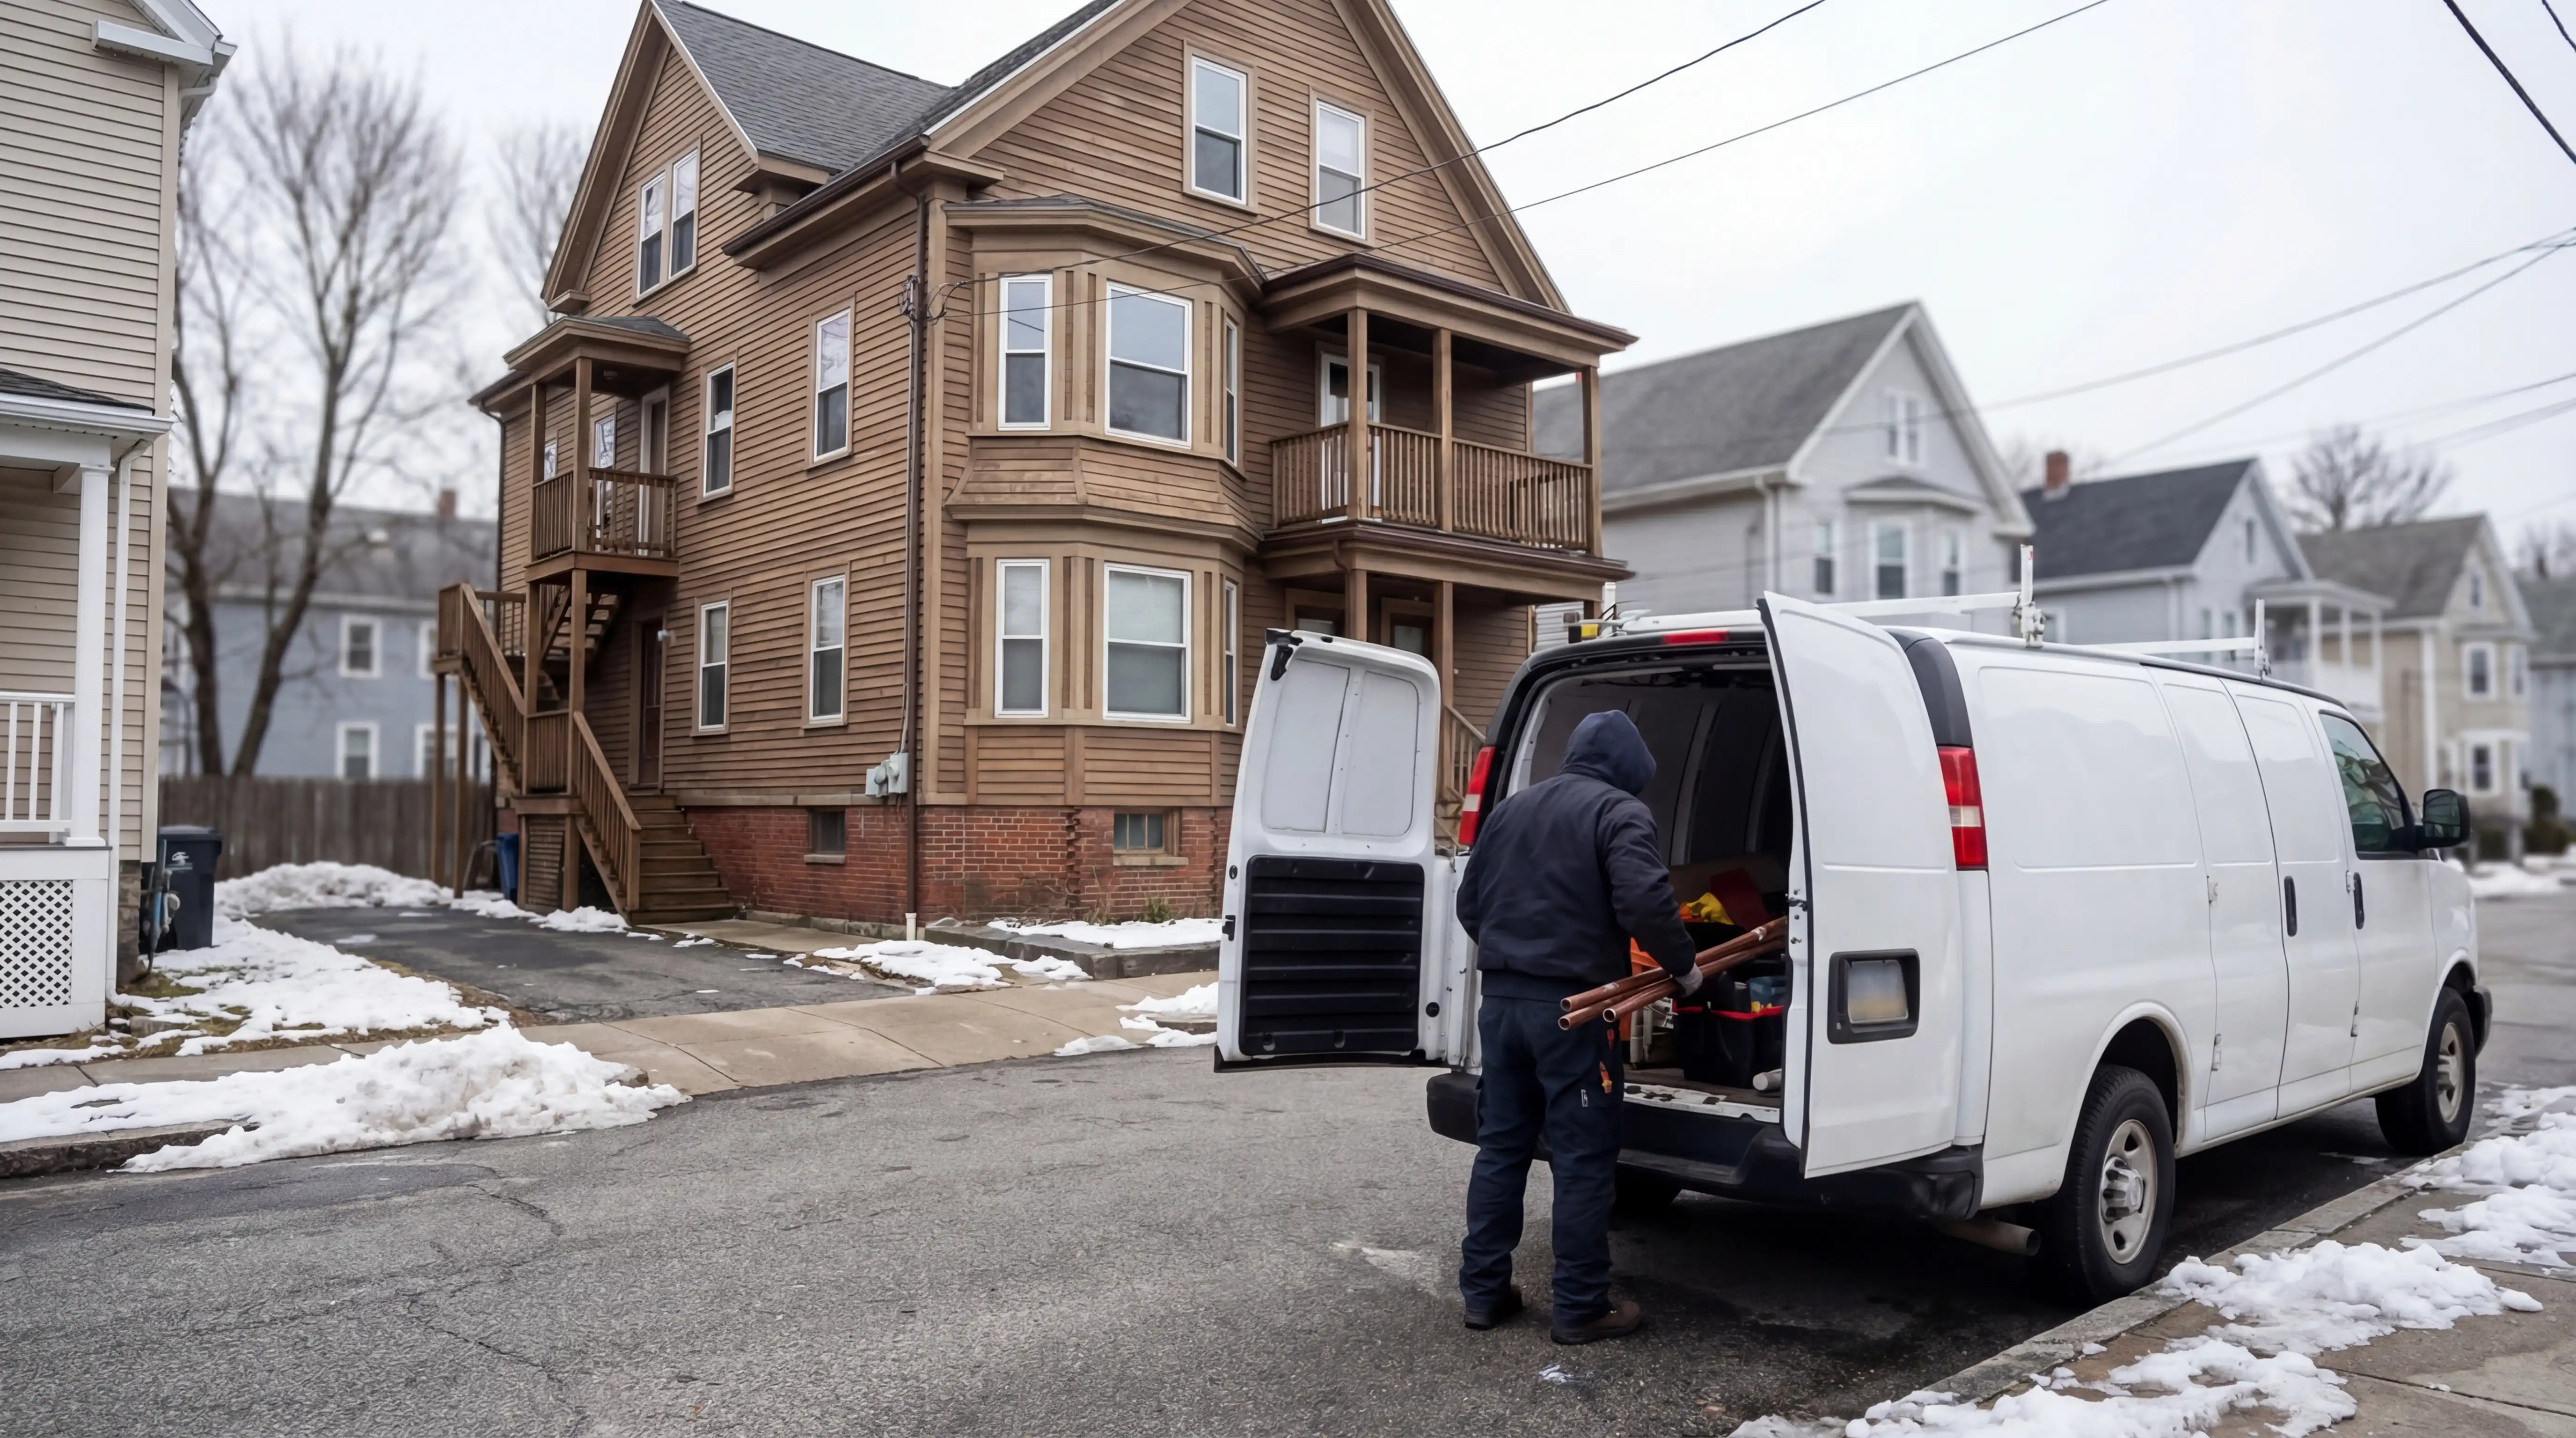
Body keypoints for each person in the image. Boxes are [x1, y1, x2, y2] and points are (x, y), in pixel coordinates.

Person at [1452, 708, 1700, 1345]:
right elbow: (1645, 900)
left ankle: (1484, 1294)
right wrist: (1686, 968)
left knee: (1503, 1147)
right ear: (1628, 771)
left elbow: (1469, 903)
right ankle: (1582, 1306)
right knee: (1584, 1158)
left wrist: (1518, 957)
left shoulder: (1511, 810)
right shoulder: (1619, 813)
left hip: (1503, 1005)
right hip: (1576, 1013)